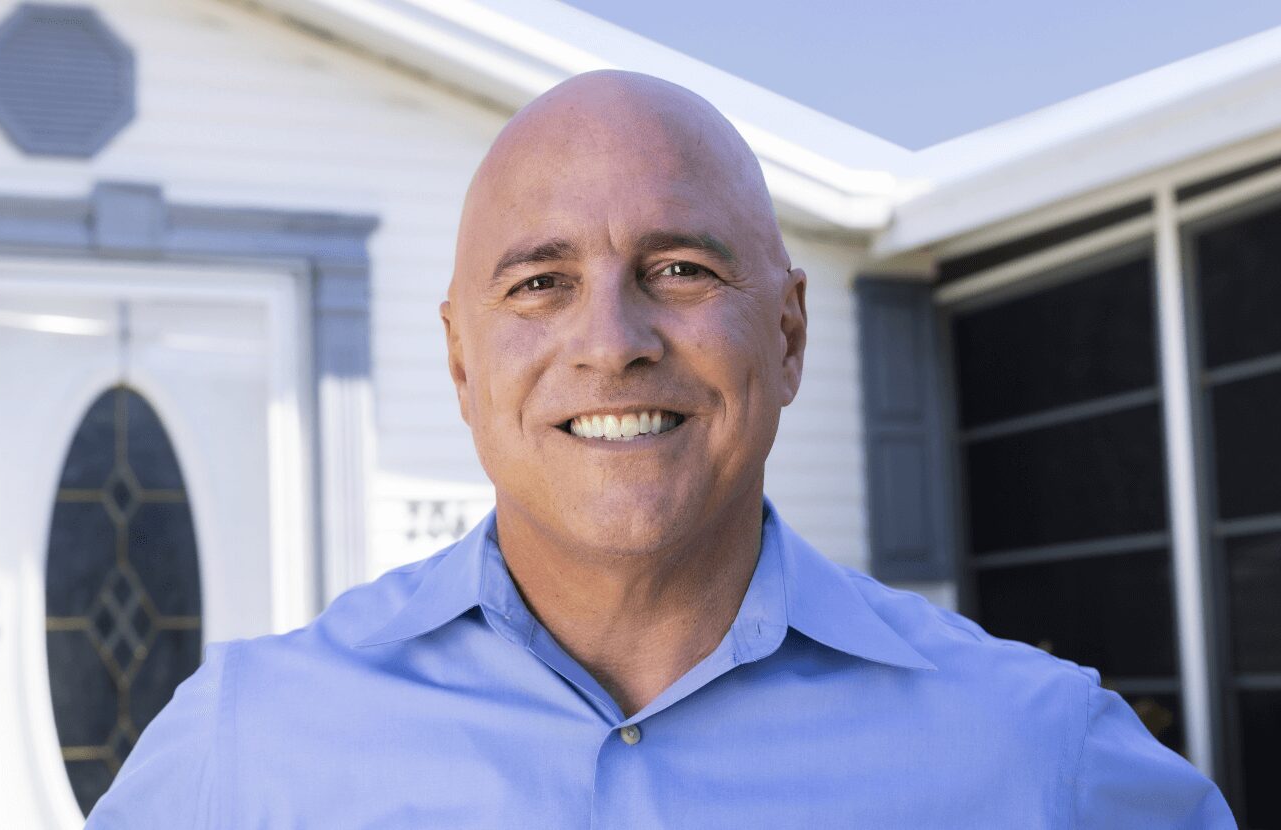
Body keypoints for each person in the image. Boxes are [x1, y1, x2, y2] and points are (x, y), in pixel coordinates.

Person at [85, 69, 1235, 827]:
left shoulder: (1043, 761)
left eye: (679, 270)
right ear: (459, 364)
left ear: (786, 333)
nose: (613, 343)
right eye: (541, 283)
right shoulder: (244, 750)